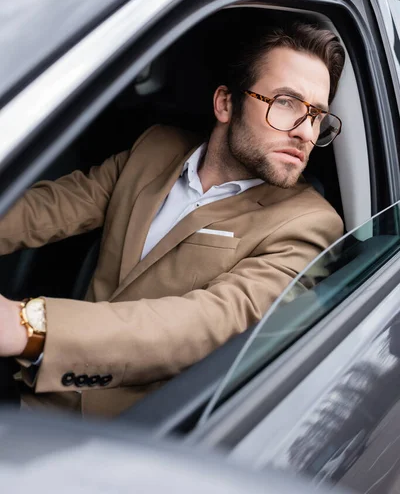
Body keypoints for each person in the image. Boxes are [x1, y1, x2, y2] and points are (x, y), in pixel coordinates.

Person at [0, 22, 345, 417]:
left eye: (317, 115)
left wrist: (25, 325)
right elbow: (47, 210)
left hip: (137, 435)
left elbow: (204, 324)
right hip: (37, 397)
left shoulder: (311, 224)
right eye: (286, 103)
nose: (306, 132)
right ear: (225, 104)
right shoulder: (156, 148)